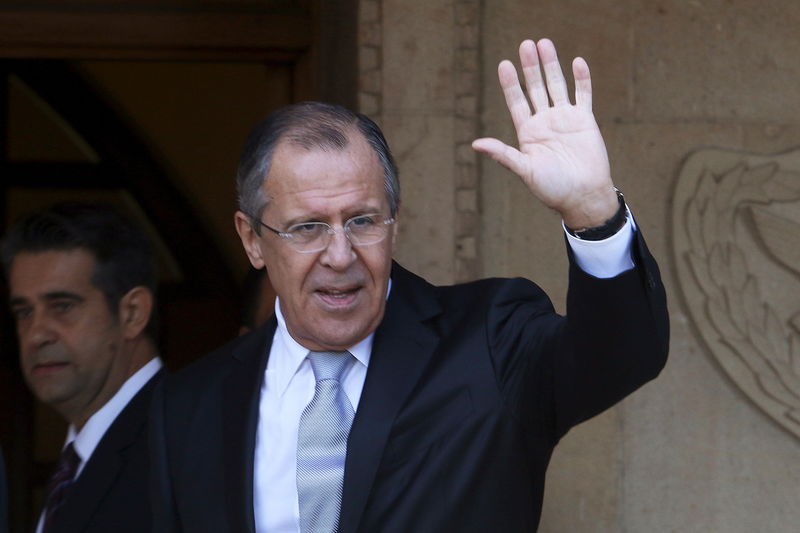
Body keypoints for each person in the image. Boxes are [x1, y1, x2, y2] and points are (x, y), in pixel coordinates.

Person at [150, 38, 669, 532]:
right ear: (253, 240)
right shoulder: (190, 408)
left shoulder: (489, 341)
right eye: (308, 227)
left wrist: (592, 212)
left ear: (393, 220)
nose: (339, 255)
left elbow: (619, 357)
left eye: (362, 221)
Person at [1, 202, 164, 533]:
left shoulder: (179, 442)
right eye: (24, 312)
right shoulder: (78, 459)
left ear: (132, 313)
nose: (36, 335)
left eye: (62, 306)